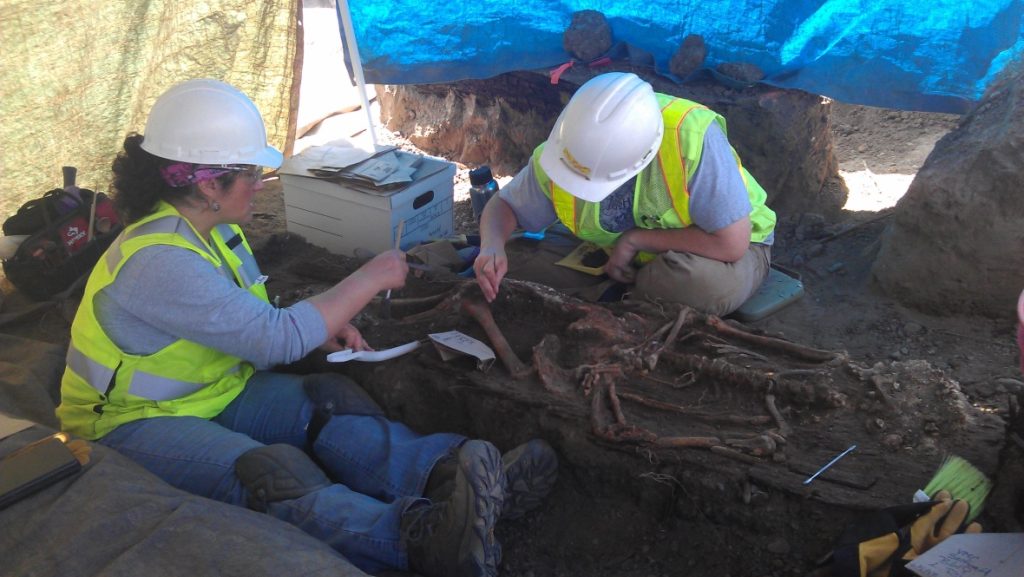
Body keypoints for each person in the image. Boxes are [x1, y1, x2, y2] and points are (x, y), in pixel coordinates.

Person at [56, 78, 557, 577]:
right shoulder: (157, 260)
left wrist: (324, 325)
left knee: (329, 401)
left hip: (218, 392)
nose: (259, 183)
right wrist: (371, 277)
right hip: (131, 424)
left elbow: (249, 314)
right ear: (209, 183)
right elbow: (275, 340)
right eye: (250, 172)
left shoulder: (214, 230)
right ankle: (414, 541)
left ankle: (450, 479)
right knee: (266, 472)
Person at [473, 72, 777, 316]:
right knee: (510, 264)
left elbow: (731, 244)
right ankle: (621, 297)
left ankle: (618, 301)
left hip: (723, 252)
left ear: (640, 159)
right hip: (610, 255)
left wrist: (636, 240)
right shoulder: (567, 147)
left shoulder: (692, 139)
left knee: (692, 286)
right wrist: (491, 246)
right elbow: (505, 205)